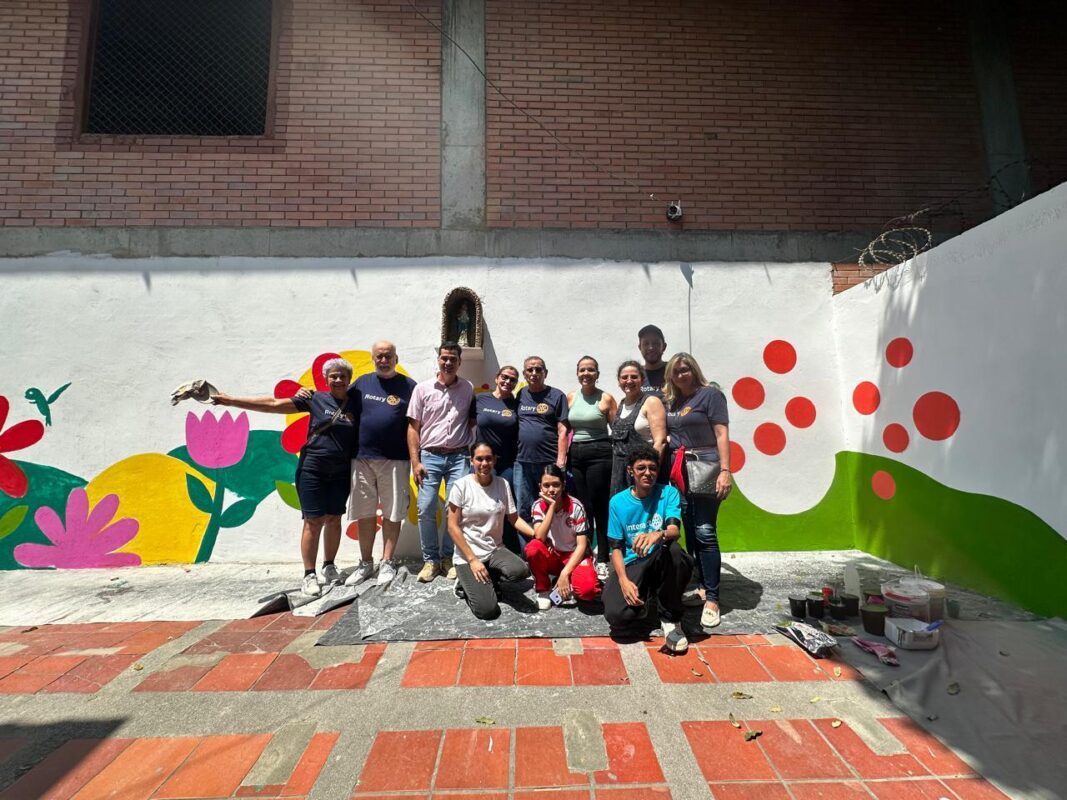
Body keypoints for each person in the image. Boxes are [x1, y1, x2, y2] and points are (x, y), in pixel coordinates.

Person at [213, 358, 359, 597]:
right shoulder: (314, 399)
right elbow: (273, 404)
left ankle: (329, 566)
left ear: (349, 379)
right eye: (334, 376)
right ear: (326, 379)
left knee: (334, 519)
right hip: (312, 469)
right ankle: (309, 575)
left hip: (341, 472)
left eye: (343, 376)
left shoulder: (356, 403)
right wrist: (230, 400)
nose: (339, 380)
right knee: (313, 521)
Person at [663, 352, 733, 629]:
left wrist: (725, 470)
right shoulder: (673, 401)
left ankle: (713, 599)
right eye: (676, 371)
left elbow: (721, 434)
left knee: (705, 531)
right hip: (680, 470)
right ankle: (703, 587)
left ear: (694, 370)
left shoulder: (710, 395)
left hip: (705, 466)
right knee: (690, 529)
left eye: (685, 369)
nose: (681, 375)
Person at [602, 446, 693, 653]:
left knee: (675, 552)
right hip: (633, 563)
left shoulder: (668, 493)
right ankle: (648, 597)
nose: (647, 473)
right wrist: (623, 581)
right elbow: (616, 548)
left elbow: (674, 530)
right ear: (630, 471)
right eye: (641, 468)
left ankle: (671, 618)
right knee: (617, 616)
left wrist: (658, 534)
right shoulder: (617, 502)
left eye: (652, 468)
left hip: (661, 559)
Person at [344, 341, 416, 588]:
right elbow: (337, 401)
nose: (383, 360)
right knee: (364, 513)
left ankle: (387, 562)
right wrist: (309, 395)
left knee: (392, 513)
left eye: (388, 356)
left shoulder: (409, 386)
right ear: (373, 359)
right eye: (379, 356)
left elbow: (417, 423)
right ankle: (366, 563)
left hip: (395, 459)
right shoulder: (361, 383)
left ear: (396, 358)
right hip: (362, 458)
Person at [407, 341, 475, 583]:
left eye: (453, 359)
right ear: (438, 359)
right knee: (425, 507)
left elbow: (471, 422)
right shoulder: (422, 389)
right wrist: (415, 462)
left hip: (459, 457)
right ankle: (431, 561)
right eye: (444, 358)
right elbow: (413, 428)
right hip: (430, 457)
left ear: (459, 362)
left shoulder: (467, 388)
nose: (448, 362)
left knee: (455, 510)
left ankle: (448, 558)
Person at [447, 442, 538, 620]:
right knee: (487, 611)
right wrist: (473, 560)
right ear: (472, 460)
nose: (484, 463)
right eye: (479, 459)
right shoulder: (461, 486)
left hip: (495, 550)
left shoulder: (502, 484)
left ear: (495, 460)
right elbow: (452, 526)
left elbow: (514, 518)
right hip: (468, 556)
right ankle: (464, 583)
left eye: (488, 458)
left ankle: (488, 580)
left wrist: (536, 535)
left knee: (520, 571)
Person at [566, 356, 617, 583]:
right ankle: (585, 554)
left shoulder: (606, 399)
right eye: (582, 370)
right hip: (576, 454)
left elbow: (617, 430)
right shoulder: (570, 397)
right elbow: (564, 429)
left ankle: (603, 557)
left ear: (597, 374)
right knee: (583, 508)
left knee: (599, 507)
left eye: (590, 370)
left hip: (600, 454)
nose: (586, 374)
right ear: (577, 373)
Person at [525, 465, 600, 609]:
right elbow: (539, 537)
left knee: (588, 592)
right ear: (540, 487)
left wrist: (565, 573)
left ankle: (566, 580)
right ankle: (544, 588)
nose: (551, 490)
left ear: (563, 485)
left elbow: (582, 545)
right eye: (546, 485)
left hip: (574, 555)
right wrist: (552, 507)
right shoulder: (537, 506)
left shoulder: (576, 506)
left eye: (556, 485)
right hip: (553, 555)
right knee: (533, 548)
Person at [471, 365, 522, 552]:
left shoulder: (516, 405)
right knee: (478, 503)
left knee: (505, 506)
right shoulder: (480, 399)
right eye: (505, 377)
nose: (507, 382)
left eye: (512, 380)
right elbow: (469, 424)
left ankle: (507, 549)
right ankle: (479, 547)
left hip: (507, 463)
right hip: (482, 463)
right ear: (496, 378)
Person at [514, 356, 569, 528]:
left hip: (548, 462)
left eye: (538, 369)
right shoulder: (521, 394)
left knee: (550, 507)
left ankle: (550, 543)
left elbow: (563, 430)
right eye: (530, 369)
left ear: (546, 373)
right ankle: (530, 545)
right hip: (522, 462)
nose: (534, 373)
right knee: (523, 509)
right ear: (524, 373)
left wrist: (561, 461)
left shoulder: (557, 395)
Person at [610, 361, 668, 496]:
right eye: (624, 377)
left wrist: (650, 471)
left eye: (634, 377)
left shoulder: (651, 402)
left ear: (642, 380)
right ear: (619, 381)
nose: (629, 381)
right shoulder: (622, 404)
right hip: (619, 472)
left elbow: (661, 442)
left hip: (641, 473)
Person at [638, 324, 668, 399]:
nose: (651, 348)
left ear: (664, 347)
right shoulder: (635, 375)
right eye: (646, 344)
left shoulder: (674, 372)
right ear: (640, 347)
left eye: (655, 343)